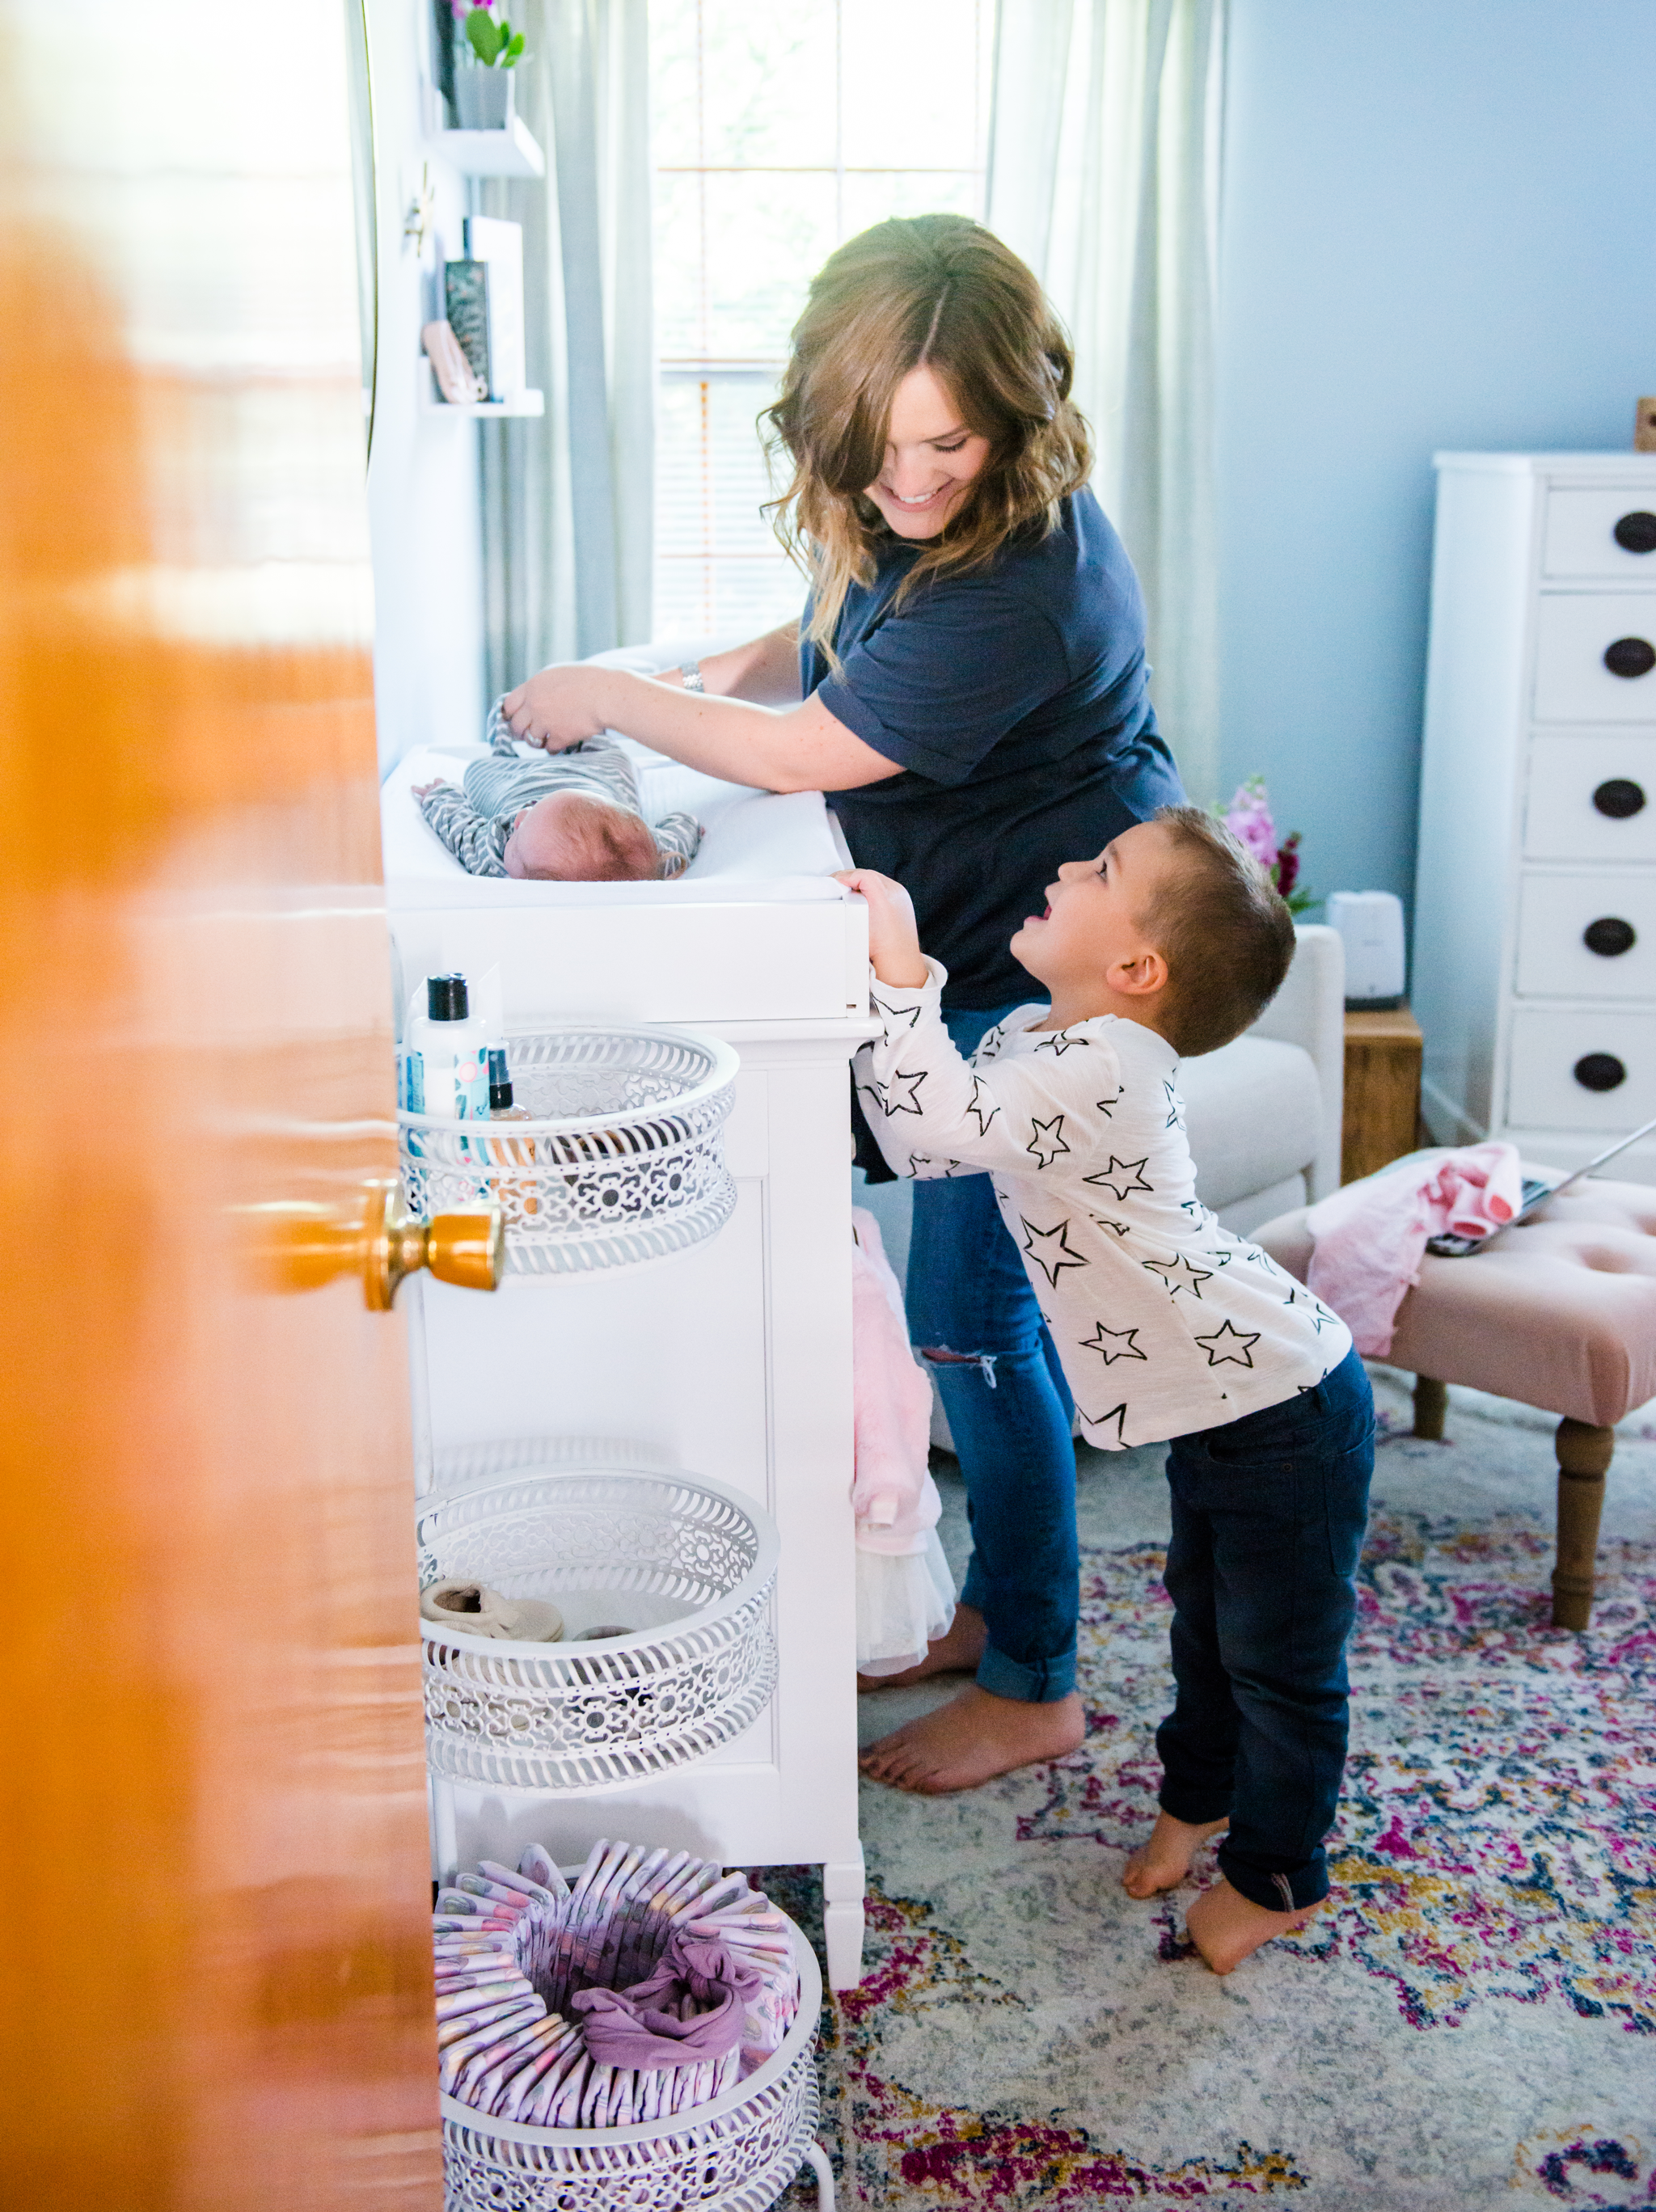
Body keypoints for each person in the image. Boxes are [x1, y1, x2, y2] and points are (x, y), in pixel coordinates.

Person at [498, 214, 1183, 1791]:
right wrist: (685, 678)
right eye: (880, 450)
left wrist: (607, 699)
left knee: (975, 1328)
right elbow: (821, 638)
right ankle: (994, 1606)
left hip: (1042, 983)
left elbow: (816, 749)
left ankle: (1038, 1682)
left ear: (1014, 418)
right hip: (972, 941)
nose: (914, 478)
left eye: (946, 444)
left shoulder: (1022, 576)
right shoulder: (910, 510)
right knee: (963, 1312)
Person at [839, 813, 1375, 1975]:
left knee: (1280, 1661)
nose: (1061, 869)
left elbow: (930, 1118)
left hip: (1288, 1405)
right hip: (1225, 1411)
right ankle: (1197, 1804)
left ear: (1137, 970)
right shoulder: (1044, 1034)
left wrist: (898, 964)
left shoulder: (1106, 1068)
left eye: (1098, 872)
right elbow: (925, 1142)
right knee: (1207, 1627)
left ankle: (1278, 1876)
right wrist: (889, 1001)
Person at [413, 699, 702, 882]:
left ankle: (503, 739)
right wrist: (690, 824)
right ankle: (567, 731)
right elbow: (680, 830)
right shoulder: (651, 857)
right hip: (593, 780)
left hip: (518, 783)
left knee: (485, 772)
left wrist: (441, 796)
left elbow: (463, 829)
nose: (519, 817)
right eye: (531, 812)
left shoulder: (496, 854)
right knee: (609, 760)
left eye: (516, 841)